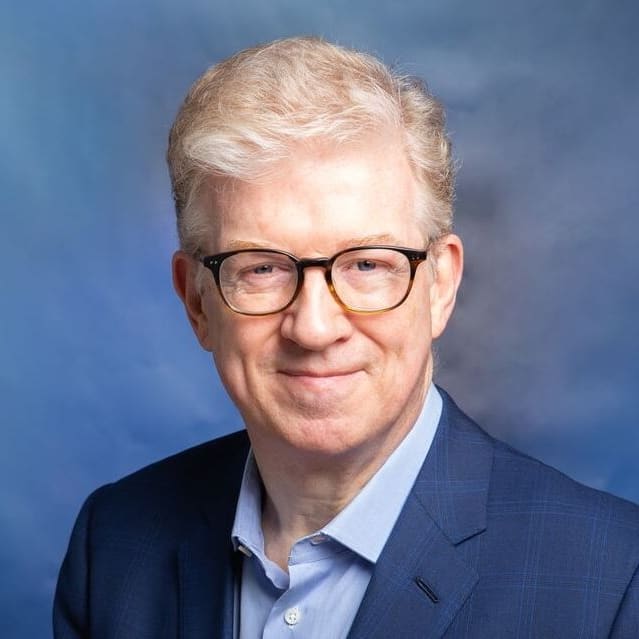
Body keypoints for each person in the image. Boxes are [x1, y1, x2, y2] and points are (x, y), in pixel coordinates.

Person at [54, 36, 639, 638]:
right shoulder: (115, 547)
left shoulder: (615, 582)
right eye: (261, 268)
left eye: (366, 264)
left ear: (439, 286)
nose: (314, 328)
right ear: (196, 301)